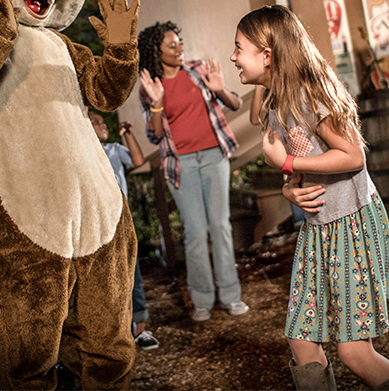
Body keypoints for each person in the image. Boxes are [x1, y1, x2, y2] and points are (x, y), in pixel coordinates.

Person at [231, 5, 389, 391]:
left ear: (267, 55)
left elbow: (352, 155)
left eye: (239, 47)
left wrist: (287, 162)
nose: (233, 56)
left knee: (354, 353)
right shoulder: (277, 101)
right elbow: (302, 169)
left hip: (350, 227)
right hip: (318, 233)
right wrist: (290, 186)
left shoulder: (307, 93)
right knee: (301, 340)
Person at [137, 21, 248, 322]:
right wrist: (158, 104)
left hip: (214, 156)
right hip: (180, 163)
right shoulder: (151, 87)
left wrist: (219, 89)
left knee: (221, 227)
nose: (179, 49)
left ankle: (230, 295)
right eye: (171, 46)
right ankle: (202, 299)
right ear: (156, 52)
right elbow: (155, 135)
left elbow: (235, 103)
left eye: (180, 43)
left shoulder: (198, 69)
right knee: (196, 232)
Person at [88, 111, 160, 351]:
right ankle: (114, 330)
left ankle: (141, 329)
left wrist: (128, 134)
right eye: (96, 122)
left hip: (121, 222)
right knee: (104, 278)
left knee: (132, 275)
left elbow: (138, 161)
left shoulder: (114, 150)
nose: (103, 125)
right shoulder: (84, 155)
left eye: (102, 120)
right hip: (96, 226)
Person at [249, 84, 305, 229]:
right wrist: (258, 86)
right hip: (293, 171)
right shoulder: (272, 96)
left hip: (301, 167)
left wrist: (287, 163)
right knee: (303, 226)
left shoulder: (298, 92)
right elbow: (256, 119)